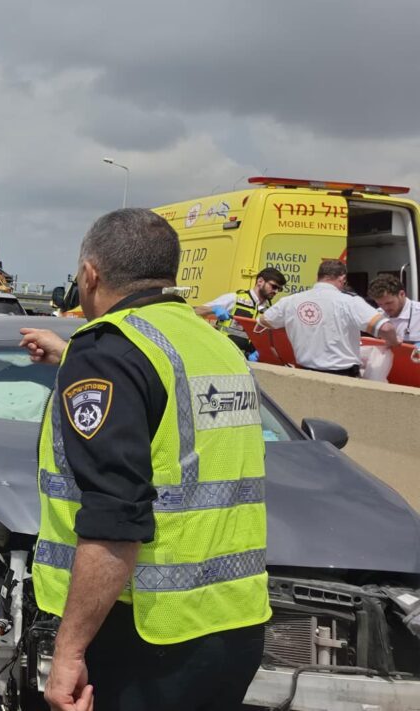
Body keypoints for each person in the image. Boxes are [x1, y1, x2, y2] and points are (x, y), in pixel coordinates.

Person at [20, 208, 270, 711]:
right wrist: (72, 354)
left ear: (90, 275)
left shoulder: (107, 353)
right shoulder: (214, 344)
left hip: (147, 638)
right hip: (234, 626)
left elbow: (115, 519)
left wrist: (68, 651)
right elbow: (157, 392)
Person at [258, 260, 399, 376]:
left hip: (305, 374)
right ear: (342, 278)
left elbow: (265, 320)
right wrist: (394, 341)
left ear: (318, 277)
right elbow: (385, 328)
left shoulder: (291, 301)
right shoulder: (349, 301)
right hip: (342, 376)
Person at [194, 266, 287, 358]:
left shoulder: (269, 312)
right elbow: (195, 311)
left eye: (279, 289)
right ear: (260, 281)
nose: (276, 291)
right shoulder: (234, 298)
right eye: (274, 286)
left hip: (246, 362)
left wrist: (259, 352)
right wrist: (214, 309)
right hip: (221, 355)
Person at [367, 274, 420, 343]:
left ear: (402, 294)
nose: (385, 308)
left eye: (389, 303)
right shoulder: (376, 315)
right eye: (380, 304)